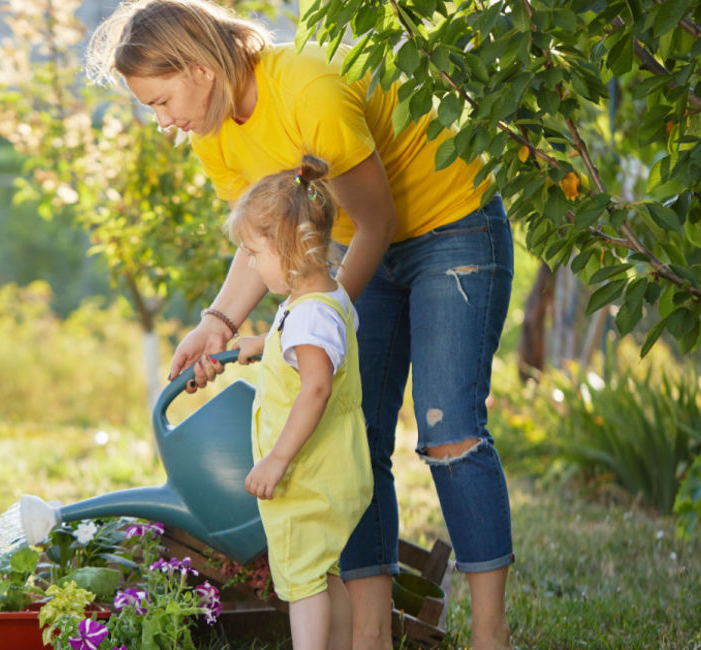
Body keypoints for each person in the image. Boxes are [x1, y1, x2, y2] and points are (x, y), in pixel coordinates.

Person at [87, 1, 515, 648]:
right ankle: (370, 635)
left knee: (448, 429)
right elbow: (263, 239)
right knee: (351, 434)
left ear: (200, 69)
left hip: (450, 224)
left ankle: (490, 634)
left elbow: (376, 223)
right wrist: (217, 322)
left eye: (161, 101)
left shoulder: (307, 90)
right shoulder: (212, 133)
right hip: (354, 244)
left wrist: (310, 320)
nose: (162, 121)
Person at [228, 156, 373, 650]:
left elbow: (315, 388)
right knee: (324, 571)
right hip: (334, 471)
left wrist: (277, 459)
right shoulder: (324, 298)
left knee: (302, 581)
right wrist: (263, 343)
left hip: (307, 477)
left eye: (254, 252)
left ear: (290, 246)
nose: (250, 264)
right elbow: (308, 347)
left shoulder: (309, 318)